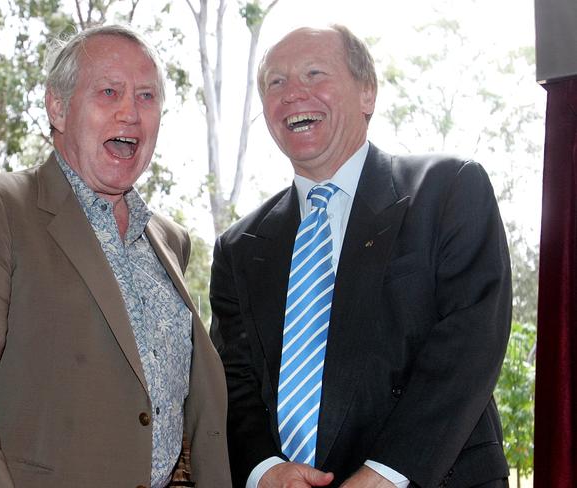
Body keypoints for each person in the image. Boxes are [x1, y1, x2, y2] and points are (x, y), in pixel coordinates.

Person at [0, 25, 231, 488]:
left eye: (146, 96)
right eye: (109, 91)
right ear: (58, 107)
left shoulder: (171, 240)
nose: (130, 112)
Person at [210, 24, 511, 488]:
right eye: (276, 82)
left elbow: (470, 343)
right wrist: (265, 470)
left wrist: (386, 474)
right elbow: (235, 380)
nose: (293, 94)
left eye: (314, 73)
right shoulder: (239, 246)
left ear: (367, 92)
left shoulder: (448, 189)